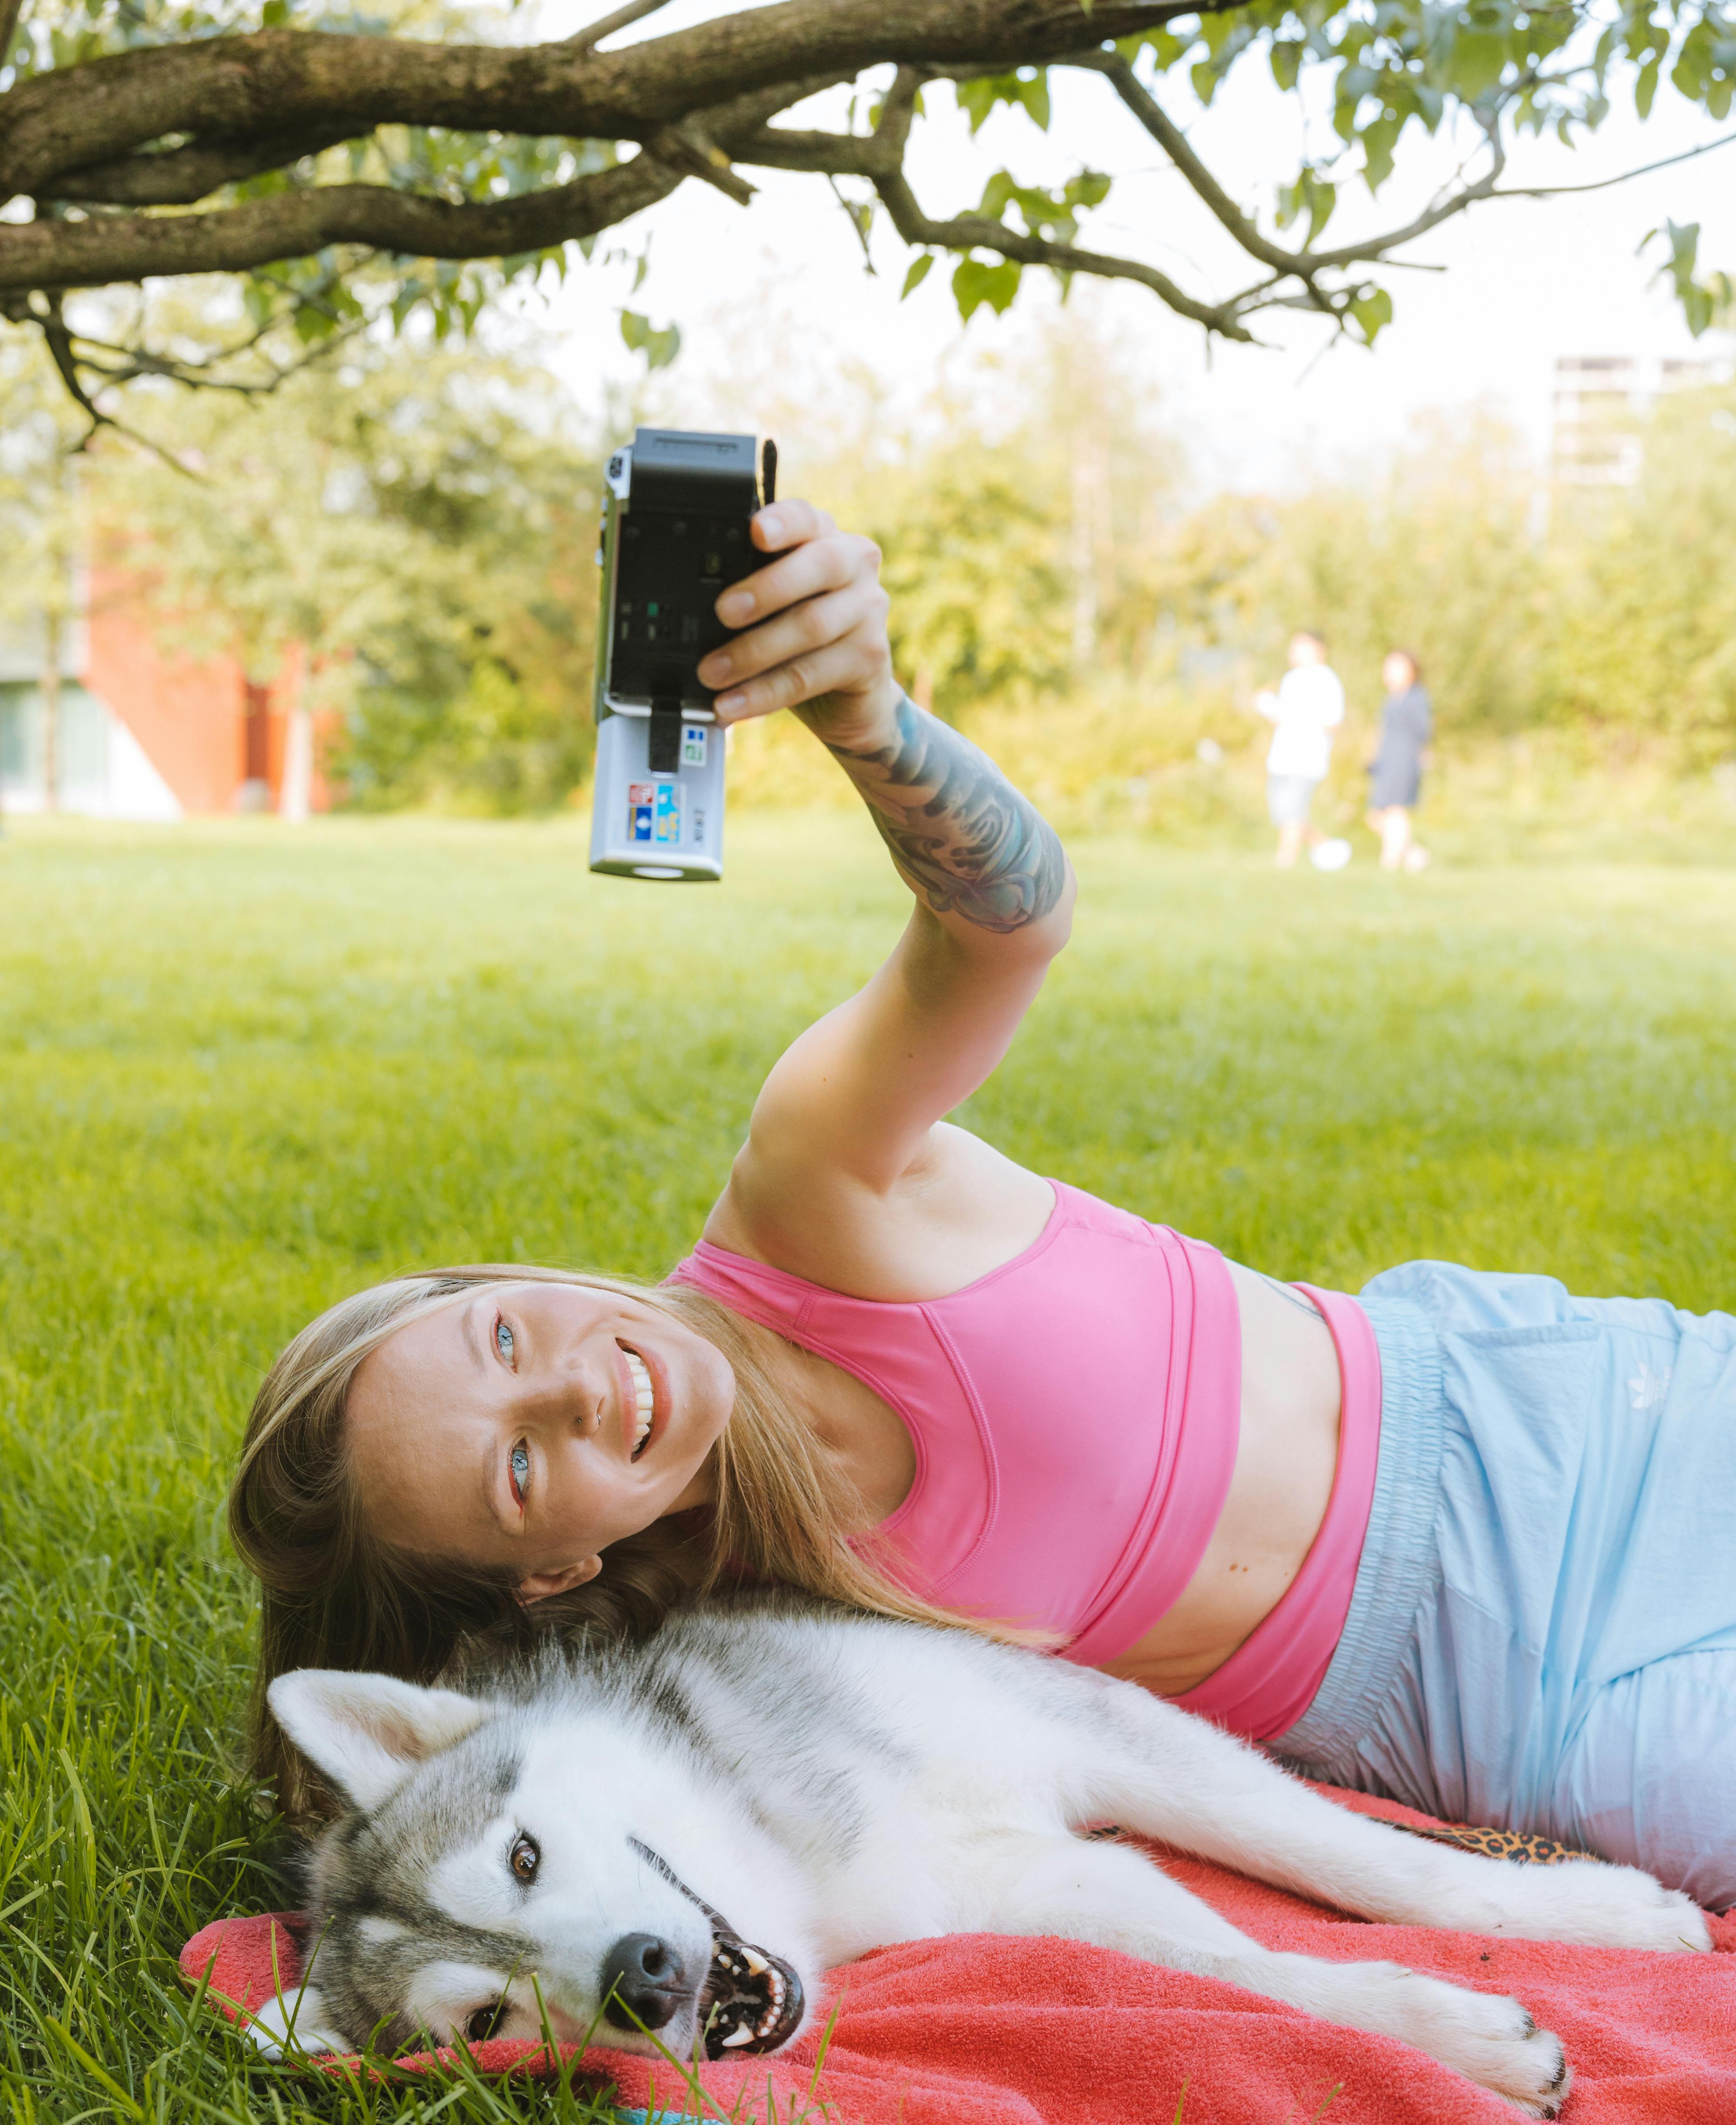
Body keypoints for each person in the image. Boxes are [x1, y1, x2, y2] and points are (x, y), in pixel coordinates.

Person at [231, 503, 1736, 1909]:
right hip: (1483, 1712)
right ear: (552, 1569)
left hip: (1548, 1427)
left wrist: (870, 721)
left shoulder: (809, 1193)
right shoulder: (749, 1657)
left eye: (504, 1341)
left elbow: (1002, 926)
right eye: (516, 1469)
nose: (573, 1383)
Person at [1254, 630, 1346, 868]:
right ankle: (1328, 848)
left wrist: (1305, 715)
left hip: (1307, 758)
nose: (1292, 653)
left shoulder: (1327, 681)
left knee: (1293, 814)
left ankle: (1284, 863)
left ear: (1318, 649)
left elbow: (1333, 722)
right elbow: (1283, 717)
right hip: (1282, 757)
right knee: (1285, 815)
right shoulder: (1291, 679)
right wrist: (1267, 706)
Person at [1366, 648, 1432, 871]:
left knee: (1396, 811)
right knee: (1376, 814)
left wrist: (1421, 756)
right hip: (1387, 761)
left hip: (1404, 760)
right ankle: (1414, 853)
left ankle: (1390, 862)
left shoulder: (1416, 698)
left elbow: (1422, 732)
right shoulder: (1392, 699)